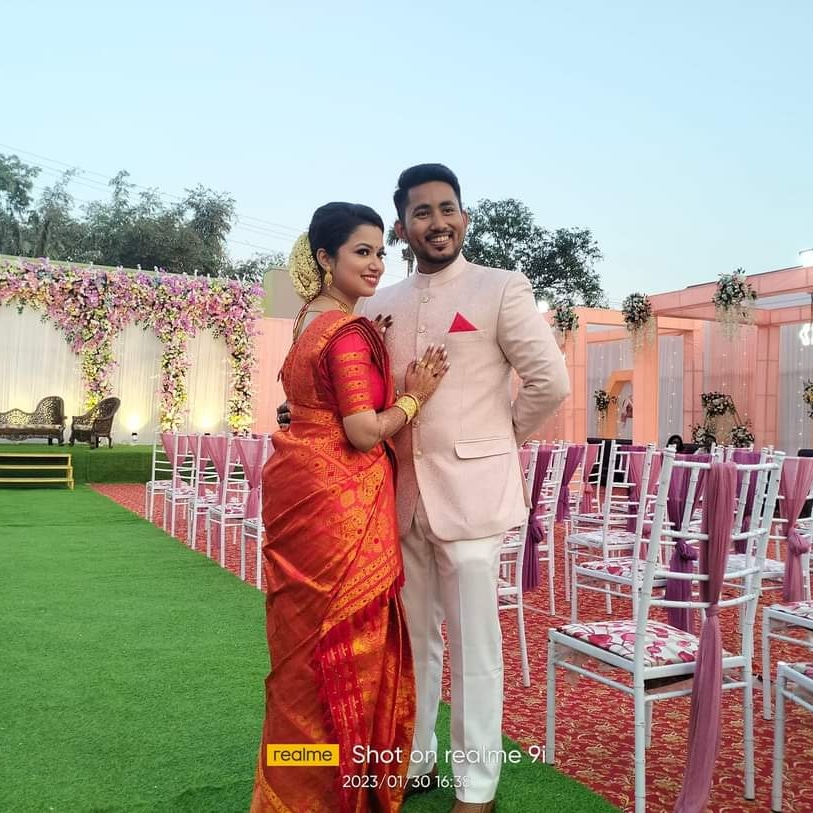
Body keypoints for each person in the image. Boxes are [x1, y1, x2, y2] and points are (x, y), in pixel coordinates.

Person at [357, 164, 570, 813]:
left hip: (474, 498)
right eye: (421, 212)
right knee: (413, 642)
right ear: (401, 228)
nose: (437, 222)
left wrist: (497, 438)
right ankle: (416, 760)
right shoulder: (377, 304)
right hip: (400, 499)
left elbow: (550, 383)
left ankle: (477, 785)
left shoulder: (500, 287)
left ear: (464, 218)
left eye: (446, 208)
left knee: (476, 648)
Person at [252, 202, 449, 813]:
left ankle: (293, 783)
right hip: (341, 504)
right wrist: (414, 398)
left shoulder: (307, 322)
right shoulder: (345, 333)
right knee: (349, 640)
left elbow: (307, 405)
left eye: (380, 252)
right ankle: (339, 788)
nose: (376, 263)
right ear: (324, 257)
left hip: (299, 487)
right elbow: (363, 432)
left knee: (301, 650)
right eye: (361, 252)